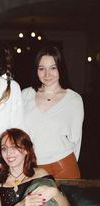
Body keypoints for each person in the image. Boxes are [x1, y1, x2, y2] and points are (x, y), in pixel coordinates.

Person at [22, 45, 84, 178]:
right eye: (41, 69)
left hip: (64, 165)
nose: (47, 74)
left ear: (60, 68)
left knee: (66, 199)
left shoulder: (74, 99)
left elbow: (76, 141)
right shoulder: (25, 95)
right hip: (33, 167)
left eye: (53, 68)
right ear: (36, 70)